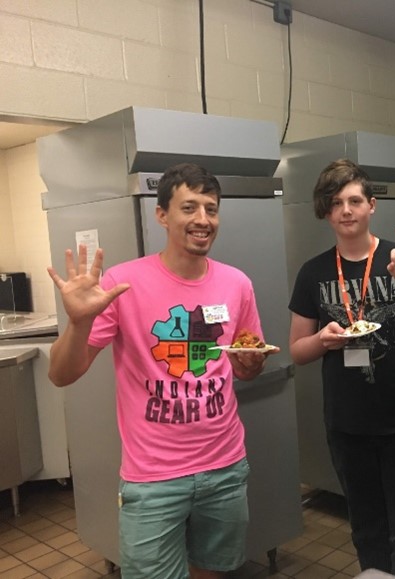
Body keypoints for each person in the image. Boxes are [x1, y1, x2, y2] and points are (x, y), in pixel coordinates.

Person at [47, 163, 275, 579]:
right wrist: (79, 322)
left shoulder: (237, 283)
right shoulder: (123, 282)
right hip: (153, 476)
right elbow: (62, 375)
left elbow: (244, 368)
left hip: (225, 465)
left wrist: (251, 365)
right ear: (162, 215)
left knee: (213, 570)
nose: (203, 219)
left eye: (212, 208)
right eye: (189, 207)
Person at [288, 158, 395, 579]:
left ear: (372, 206)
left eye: (355, 200)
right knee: (367, 529)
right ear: (326, 211)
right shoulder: (314, 273)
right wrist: (323, 341)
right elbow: (297, 350)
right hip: (347, 426)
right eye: (336, 202)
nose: (346, 209)